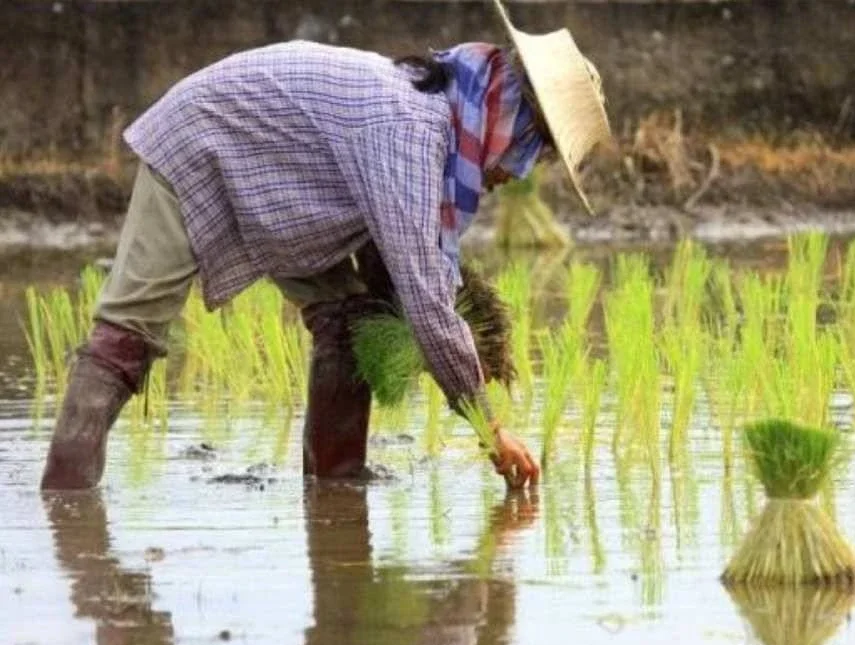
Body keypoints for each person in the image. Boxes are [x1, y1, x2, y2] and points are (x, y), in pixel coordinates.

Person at [39, 0, 612, 492]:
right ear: (509, 120)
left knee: (350, 318)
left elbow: (398, 268)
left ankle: (336, 486)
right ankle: (66, 503)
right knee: (127, 336)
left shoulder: (434, 126)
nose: (518, 174)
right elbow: (425, 298)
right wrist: (491, 430)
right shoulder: (408, 131)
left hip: (281, 183)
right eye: (531, 154)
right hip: (203, 145)